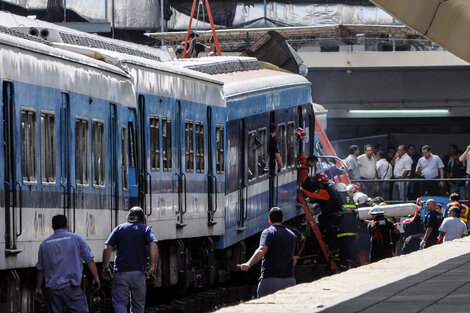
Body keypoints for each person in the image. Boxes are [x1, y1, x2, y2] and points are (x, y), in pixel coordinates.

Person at [35, 214, 100, 313]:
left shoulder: (44, 245)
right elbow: (89, 260)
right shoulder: (77, 239)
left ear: (52, 227)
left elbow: (40, 269)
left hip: (53, 289)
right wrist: (96, 278)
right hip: (72, 287)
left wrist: (38, 288)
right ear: (67, 225)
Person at [102, 207, 159, 313]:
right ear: (142, 217)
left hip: (121, 272)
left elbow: (108, 247)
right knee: (138, 304)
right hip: (138, 273)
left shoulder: (119, 228)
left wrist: (105, 267)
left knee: (119, 302)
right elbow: (153, 245)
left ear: (129, 216)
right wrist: (153, 266)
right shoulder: (146, 229)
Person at [238, 207, 298, 298]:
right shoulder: (292, 235)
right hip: (289, 280)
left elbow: (262, 250)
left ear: (269, 220)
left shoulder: (268, 232)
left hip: (270, 281)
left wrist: (248, 264)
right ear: (282, 219)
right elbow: (294, 260)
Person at [302, 173, 343, 258]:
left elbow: (314, 195)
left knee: (331, 233)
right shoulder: (328, 190)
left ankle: (334, 252)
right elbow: (318, 199)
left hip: (332, 216)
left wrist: (302, 190)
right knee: (322, 221)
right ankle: (332, 250)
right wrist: (310, 200)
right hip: (331, 215)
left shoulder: (324, 191)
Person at [335, 183, 359, 268]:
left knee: (343, 251)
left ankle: (344, 267)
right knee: (351, 251)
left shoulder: (338, 199)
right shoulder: (351, 199)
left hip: (342, 230)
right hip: (352, 230)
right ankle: (351, 266)